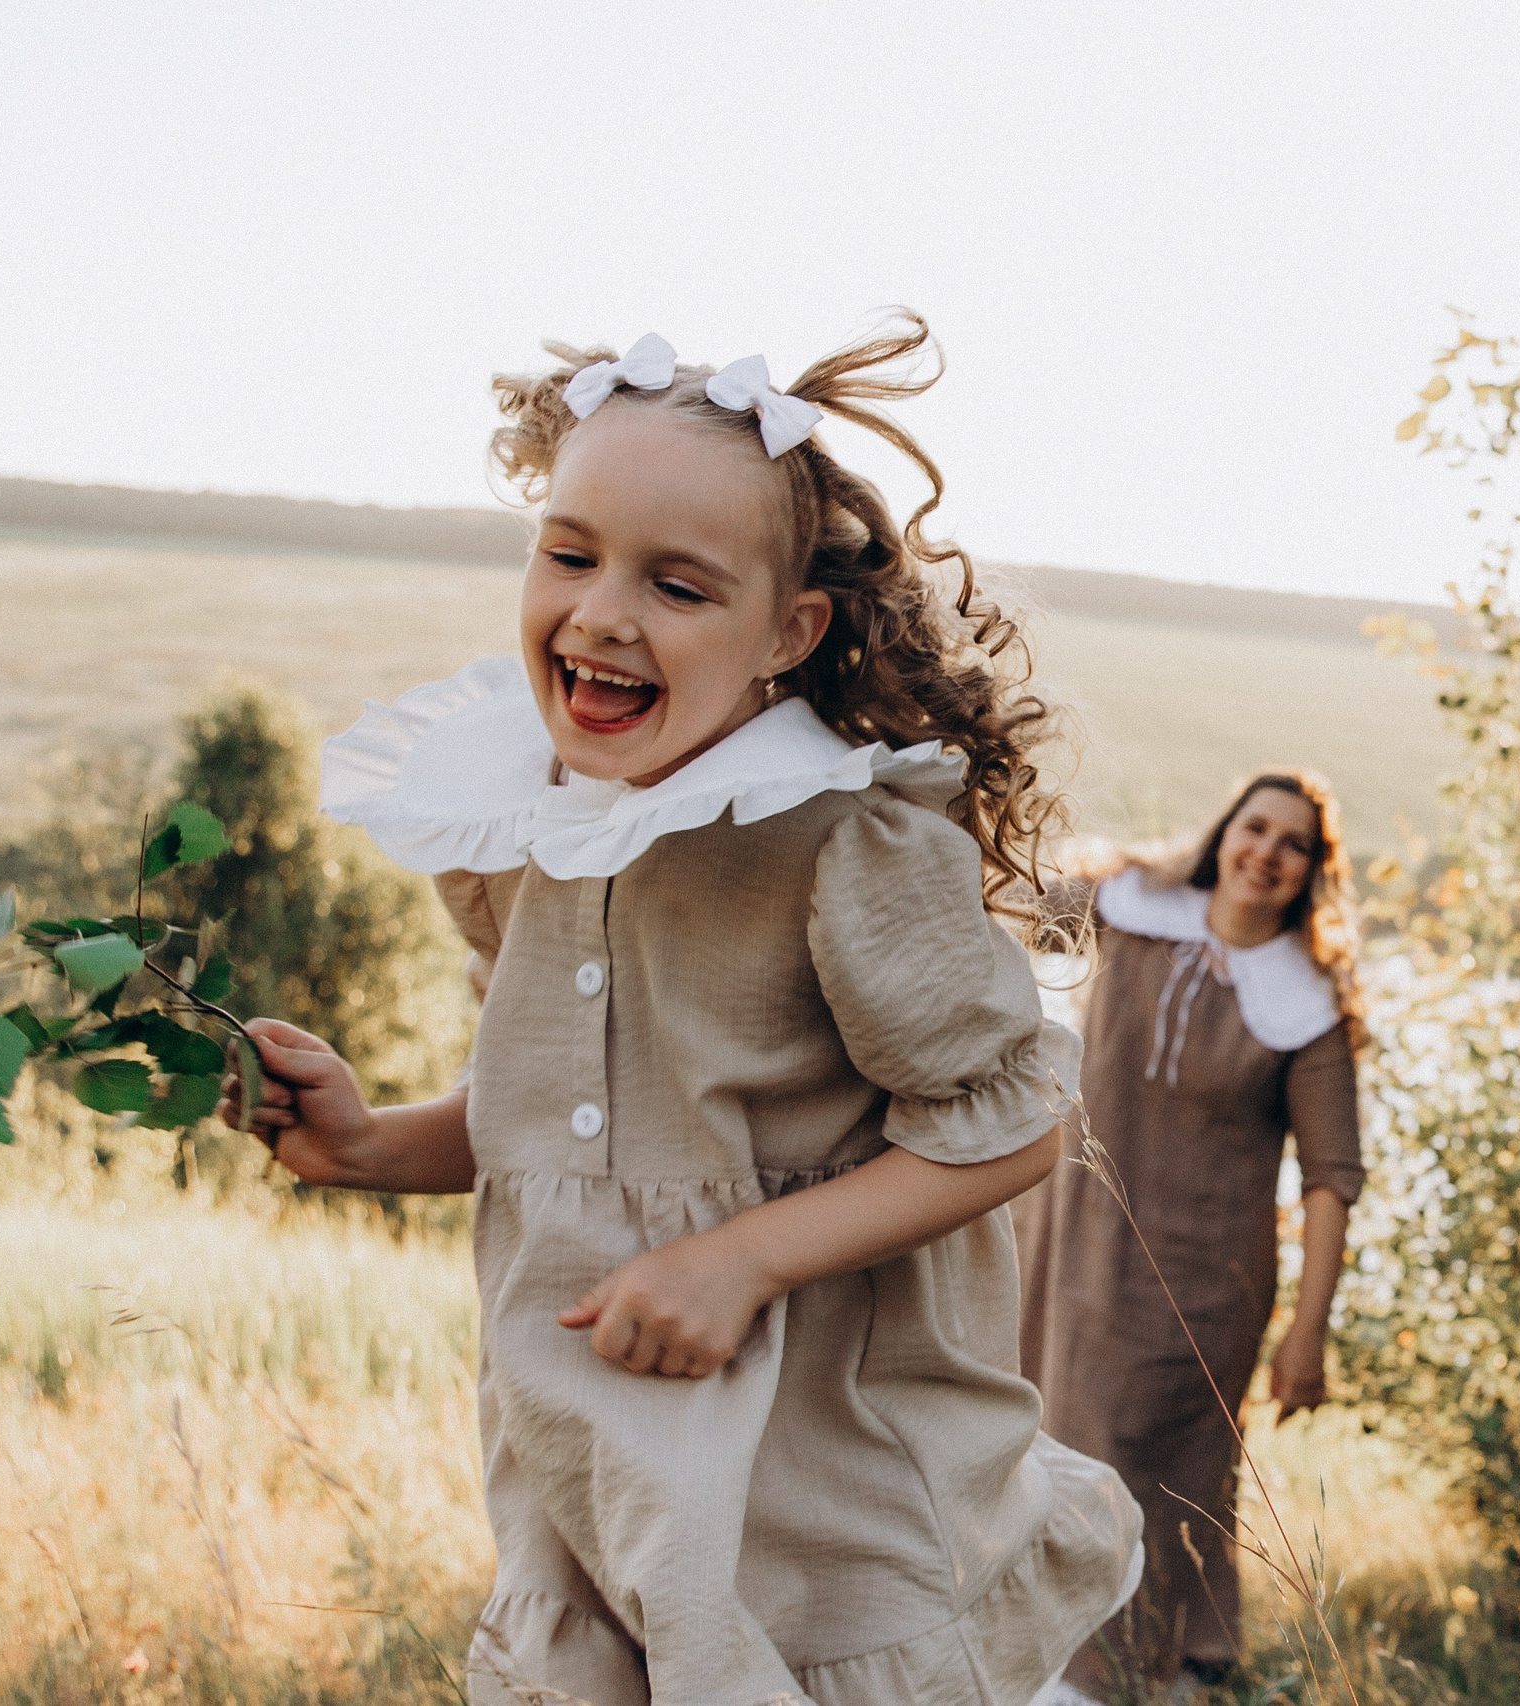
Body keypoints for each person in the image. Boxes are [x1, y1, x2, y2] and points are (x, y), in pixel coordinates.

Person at [220, 322, 1142, 1706]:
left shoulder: (843, 845)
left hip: (826, 1471)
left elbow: (1014, 1127)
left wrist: (747, 1258)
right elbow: (572, 1108)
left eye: (678, 584)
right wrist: (373, 1143)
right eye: (571, 552)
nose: (601, 612)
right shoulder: (524, 825)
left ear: (790, 630)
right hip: (606, 1446)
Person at [1013, 774, 1367, 1704]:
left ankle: (1099, 1681)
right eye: (1257, 828)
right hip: (1068, 1242)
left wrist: (1308, 1332)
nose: (1269, 853)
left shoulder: (1309, 1005)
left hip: (1200, 1283)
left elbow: (1332, 1180)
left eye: (1296, 844)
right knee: (1045, 1438)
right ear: (1223, 835)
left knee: (1146, 1469)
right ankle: (1185, 1659)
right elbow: (997, 896)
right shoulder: (1133, 910)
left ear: (1312, 872)